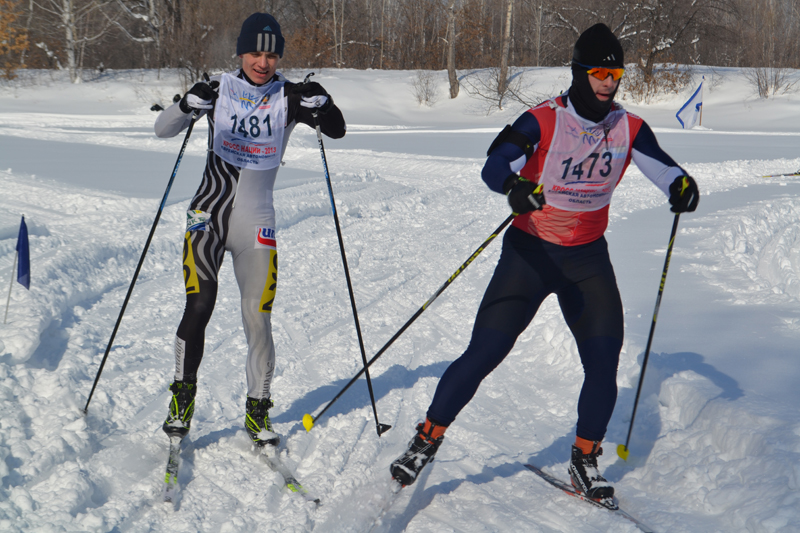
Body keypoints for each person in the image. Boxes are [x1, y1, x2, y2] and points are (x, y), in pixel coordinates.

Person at [389, 23, 699, 502]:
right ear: (579, 73)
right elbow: (495, 164)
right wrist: (515, 188)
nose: (608, 81)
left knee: (603, 361)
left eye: (615, 73)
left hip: (587, 260)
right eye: (598, 71)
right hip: (529, 254)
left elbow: (663, 166)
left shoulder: (628, 127)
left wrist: (681, 185)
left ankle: (585, 457)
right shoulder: (543, 119)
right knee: (484, 353)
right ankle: (427, 436)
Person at [154, 13, 346, 449]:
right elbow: (162, 128)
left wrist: (326, 104)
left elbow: (336, 131)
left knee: (257, 317)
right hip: (207, 215)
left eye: (272, 54)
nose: (263, 62)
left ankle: (257, 410)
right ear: (241, 52)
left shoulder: (290, 97)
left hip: (256, 222)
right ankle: (182, 400)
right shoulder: (217, 91)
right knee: (199, 305)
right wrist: (187, 105)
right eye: (256, 53)